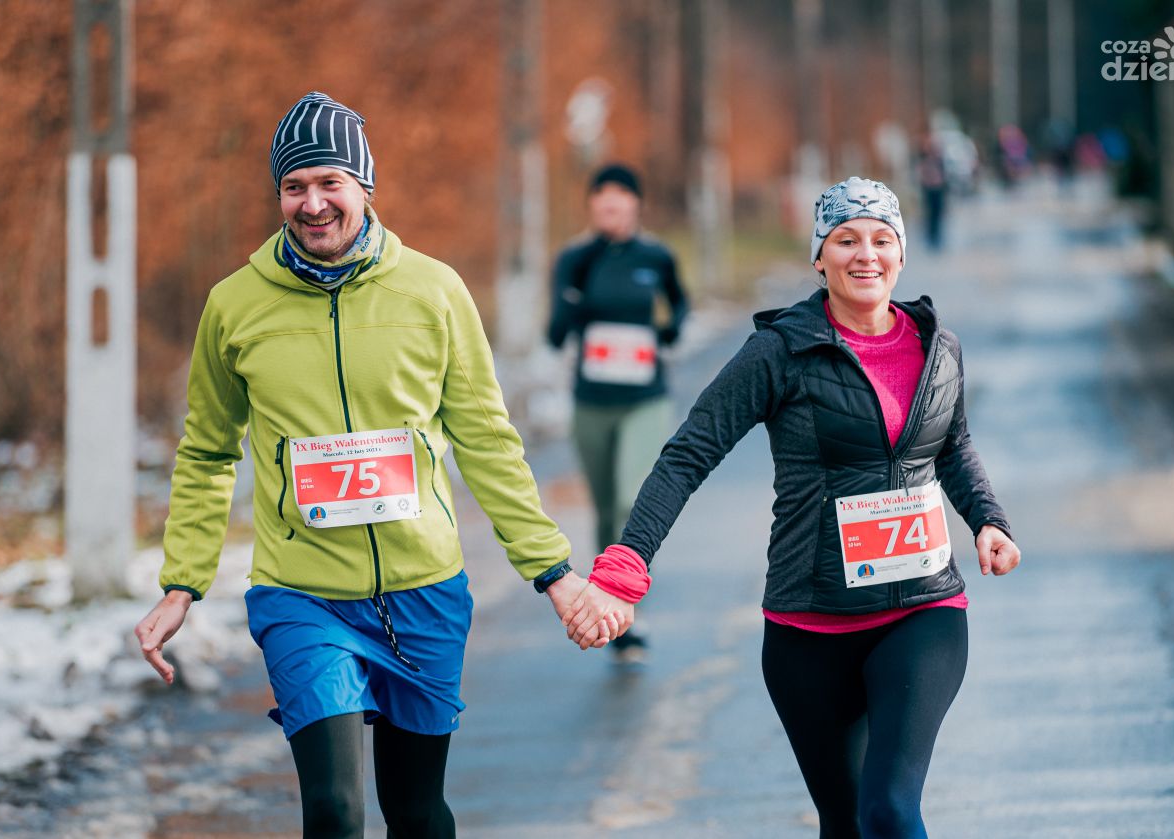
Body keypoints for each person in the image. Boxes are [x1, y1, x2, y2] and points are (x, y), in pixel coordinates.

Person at [133, 92, 631, 839]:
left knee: (416, 811)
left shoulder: (433, 292)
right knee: (333, 809)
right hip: (303, 593)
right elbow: (207, 449)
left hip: (423, 589)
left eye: (330, 181)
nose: (312, 203)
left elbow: (488, 440)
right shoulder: (234, 307)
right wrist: (183, 580)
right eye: (294, 186)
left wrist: (554, 573)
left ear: (365, 186)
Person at [565, 177, 1020, 837]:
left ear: (900, 253)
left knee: (889, 810)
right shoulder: (780, 351)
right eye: (845, 240)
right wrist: (622, 566)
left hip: (923, 611)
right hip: (809, 627)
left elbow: (951, 445)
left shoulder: (936, 348)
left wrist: (988, 519)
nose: (865, 254)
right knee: (843, 820)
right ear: (819, 257)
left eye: (881, 239)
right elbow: (690, 451)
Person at [547, 163, 689, 662]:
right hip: (592, 401)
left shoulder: (656, 256)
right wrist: (573, 298)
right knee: (606, 507)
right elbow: (555, 333)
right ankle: (611, 605)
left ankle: (631, 604)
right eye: (601, 198)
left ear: (635, 204)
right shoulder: (575, 259)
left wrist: (665, 336)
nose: (610, 207)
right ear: (591, 207)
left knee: (632, 498)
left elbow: (679, 305)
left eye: (619, 198)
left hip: (644, 398)